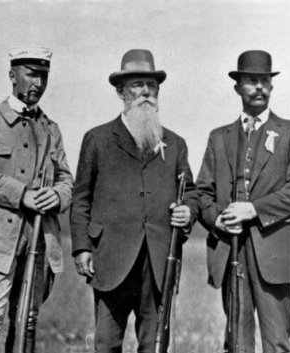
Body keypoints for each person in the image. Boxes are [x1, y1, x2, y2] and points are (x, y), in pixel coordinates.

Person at [70, 49, 198, 352]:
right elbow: (81, 198)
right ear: (120, 91)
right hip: (111, 257)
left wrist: (187, 212)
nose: (145, 92)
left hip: (159, 259)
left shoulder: (175, 143)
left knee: (154, 344)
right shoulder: (98, 139)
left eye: (151, 86)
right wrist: (81, 247)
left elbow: (190, 192)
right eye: (137, 85)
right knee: (106, 343)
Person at [0, 47, 74, 353]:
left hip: (38, 243)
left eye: (44, 75)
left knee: (26, 321)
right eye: (32, 74)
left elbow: (67, 181)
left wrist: (56, 196)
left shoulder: (51, 130)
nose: (39, 82)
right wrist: (23, 195)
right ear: (12, 76)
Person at [196, 50, 290, 352]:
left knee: (276, 342)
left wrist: (253, 209)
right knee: (236, 341)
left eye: (264, 81)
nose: (259, 87)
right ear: (238, 87)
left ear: (271, 87)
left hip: (274, 251)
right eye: (251, 81)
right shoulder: (219, 137)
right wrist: (216, 218)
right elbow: (202, 194)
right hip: (231, 249)